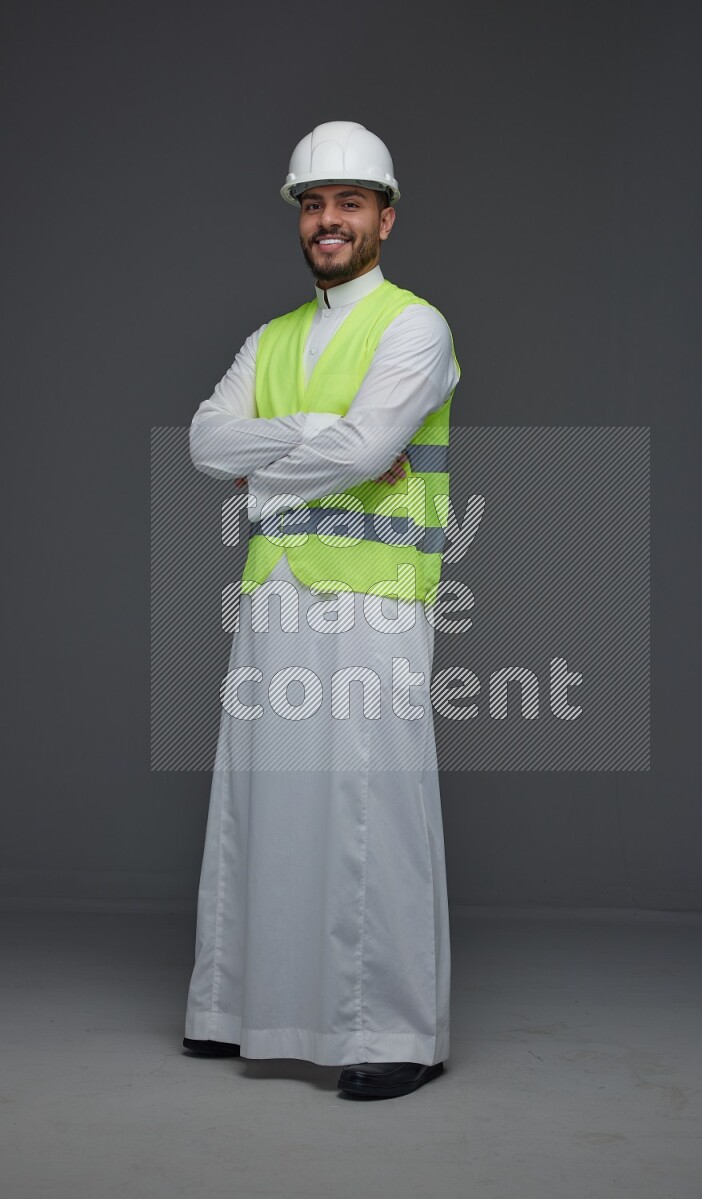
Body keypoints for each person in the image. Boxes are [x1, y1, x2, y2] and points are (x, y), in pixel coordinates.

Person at [182, 121, 460, 1100]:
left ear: (385, 215)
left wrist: (266, 485)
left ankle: (394, 1029)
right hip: (275, 591)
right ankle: (233, 1005)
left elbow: (366, 444)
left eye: (347, 202)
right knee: (261, 790)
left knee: (367, 803)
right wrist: (311, 435)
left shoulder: (414, 326)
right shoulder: (271, 338)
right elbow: (205, 441)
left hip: (375, 596)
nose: (327, 220)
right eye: (312, 204)